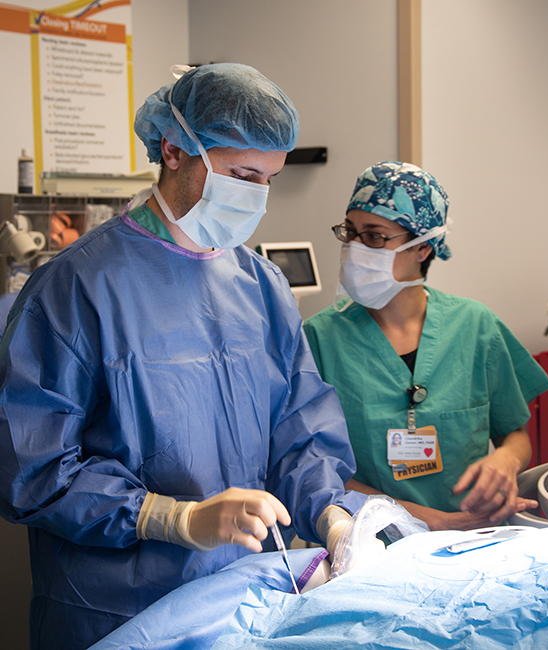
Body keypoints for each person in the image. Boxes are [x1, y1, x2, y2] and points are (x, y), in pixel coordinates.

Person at [0, 63, 363, 650]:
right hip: (114, 613)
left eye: (269, 178)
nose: (258, 195)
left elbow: (298, 426)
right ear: (173, 150)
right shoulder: (76, 287)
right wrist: (173, 518)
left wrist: (331, 514)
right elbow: (33, 467)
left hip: (244, 602)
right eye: (242, 175)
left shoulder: (262, 286)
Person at [303, 162, 548, 532]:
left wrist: (506, 461)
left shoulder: (475, 326)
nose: (354, 248)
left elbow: (514, 435)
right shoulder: (320, 339)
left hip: (474, 534)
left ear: (421, 247)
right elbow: (316, 470)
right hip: (371, 540)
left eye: (374, 237)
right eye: (350, 232)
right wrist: (428, 522)